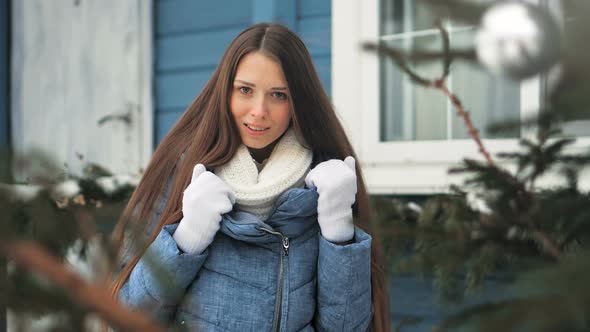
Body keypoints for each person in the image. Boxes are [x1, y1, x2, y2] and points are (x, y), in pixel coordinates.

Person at [108, 22, 391, 332]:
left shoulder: (327, 182)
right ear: (225, 91)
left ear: (299, 101)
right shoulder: (181, 172)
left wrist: (338, 226)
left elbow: (347, 328)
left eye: (279, 95)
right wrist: (187, 239)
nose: (259, 111)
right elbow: (127, 317)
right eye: (245, 90)